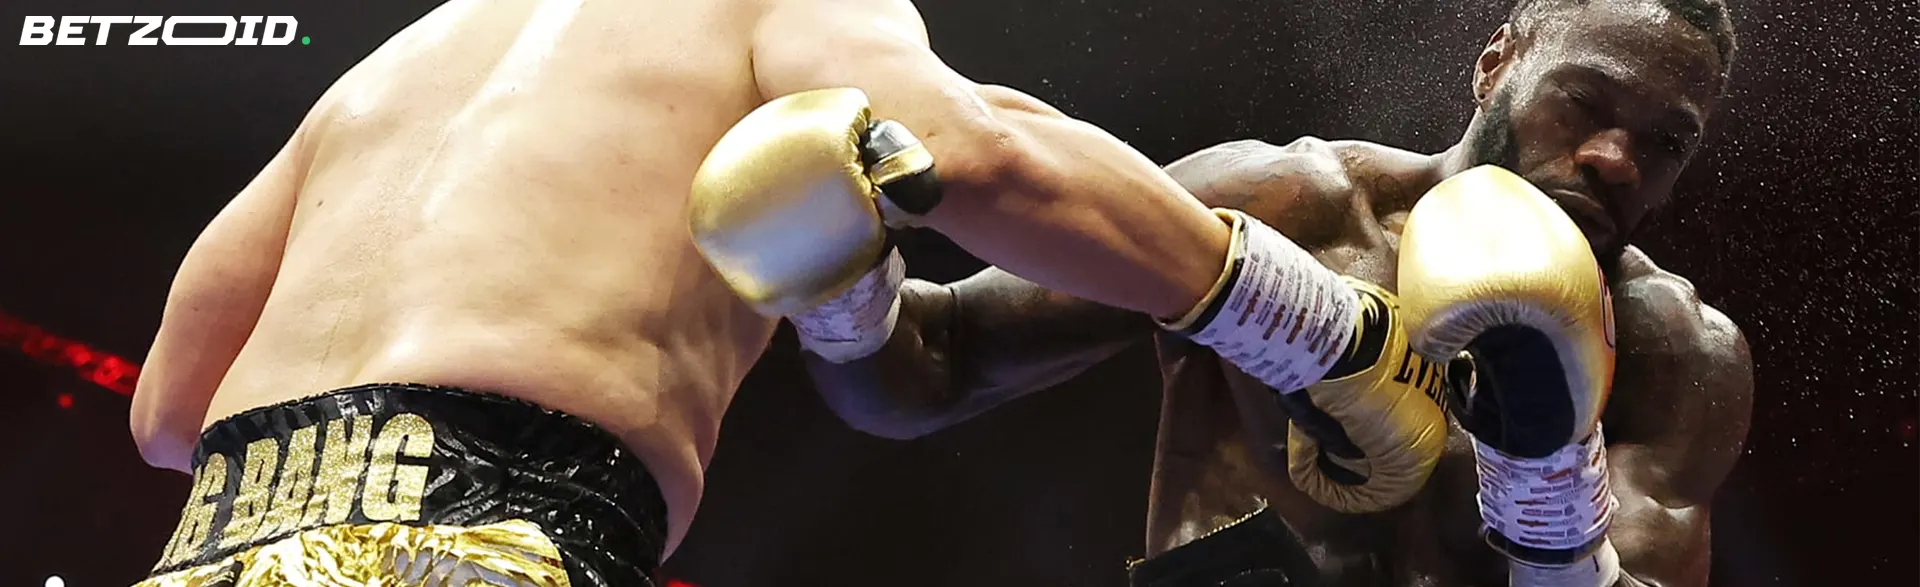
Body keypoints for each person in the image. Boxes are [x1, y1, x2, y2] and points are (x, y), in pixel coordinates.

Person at [115, 0, 1350, 583]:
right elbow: (973, 157)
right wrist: (1315, 325)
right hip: (492, 538)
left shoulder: (395, 64)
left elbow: (169, 410)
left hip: (211, 546)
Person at [799, 0, 1754, 585]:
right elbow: (931, 365)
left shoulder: (1675, 353)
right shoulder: (1285, 206)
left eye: (1666, 142)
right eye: (1585, 101)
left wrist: (1549, 486)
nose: (1615, 158)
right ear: (1495, 63)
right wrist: (836, 275)